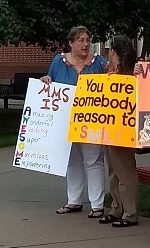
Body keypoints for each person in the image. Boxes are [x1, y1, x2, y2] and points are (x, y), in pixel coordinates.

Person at [41, 26, 108, 218]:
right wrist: (46, 80)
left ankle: (97, 204)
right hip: (65, 120)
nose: (85, 44)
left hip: (92, 120)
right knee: (72, 161)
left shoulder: (99, 63)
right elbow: (50, 81)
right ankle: (74, 200)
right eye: (80, 40)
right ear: (71, 43)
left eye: (87, 40)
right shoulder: (59, 61)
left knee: (94, 160)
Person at [99, 35, 140, 228]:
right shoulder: (113, 73)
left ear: (114, 52)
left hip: (124, 129)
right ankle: (117, 208)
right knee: (113, 171)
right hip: (109, 128)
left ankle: (130, 212)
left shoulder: (132, 73)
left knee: (124, 171)